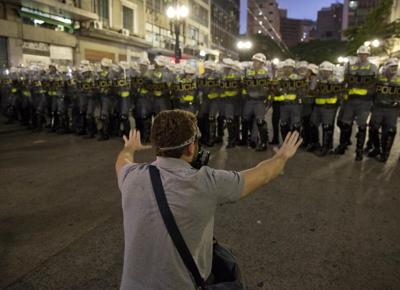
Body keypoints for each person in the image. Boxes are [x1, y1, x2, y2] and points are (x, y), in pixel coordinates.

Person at [115, 109, 302, 290]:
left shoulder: (130, 176)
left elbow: (122, 160)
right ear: (190, 147)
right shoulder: (206, 182)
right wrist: (282, 156)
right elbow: (264, 173)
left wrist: (130, 147)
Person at [334, 45, 378, 161]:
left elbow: (375, 85)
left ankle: (358, 151)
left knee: (362, 126)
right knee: (345, 124)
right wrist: (343, 93)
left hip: (364, 102)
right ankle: (342, 146)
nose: (362, 56)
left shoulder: (373, 67)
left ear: (368, 55)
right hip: (350, 100)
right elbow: (345, 81)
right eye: (360, 54)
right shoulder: (350, 66)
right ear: (358, 55)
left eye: (365, 54)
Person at [366, 58, 400, 162]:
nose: (394, 69)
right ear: (386, 68)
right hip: (378, 107)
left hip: (392, 109)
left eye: (395, 67)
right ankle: (376, 148)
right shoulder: (378, 78)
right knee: (373, 128)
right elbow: (370, 91)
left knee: (389, 130)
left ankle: (385, 154)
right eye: (391, 67)